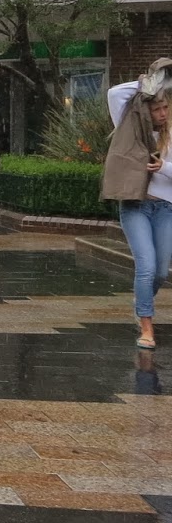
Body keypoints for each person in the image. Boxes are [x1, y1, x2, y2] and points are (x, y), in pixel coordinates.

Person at [103, 61, 172, 383]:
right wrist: (149, 82)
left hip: (166, 208)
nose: (162, 113)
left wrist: (163, 168)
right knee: (146, 267)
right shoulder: (130, 122)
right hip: (135, 206)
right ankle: (146, 326)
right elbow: (115, 93)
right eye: (156, 108)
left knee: (160, 272)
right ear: (147, 107)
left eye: (165, 107)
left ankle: (141, 301)